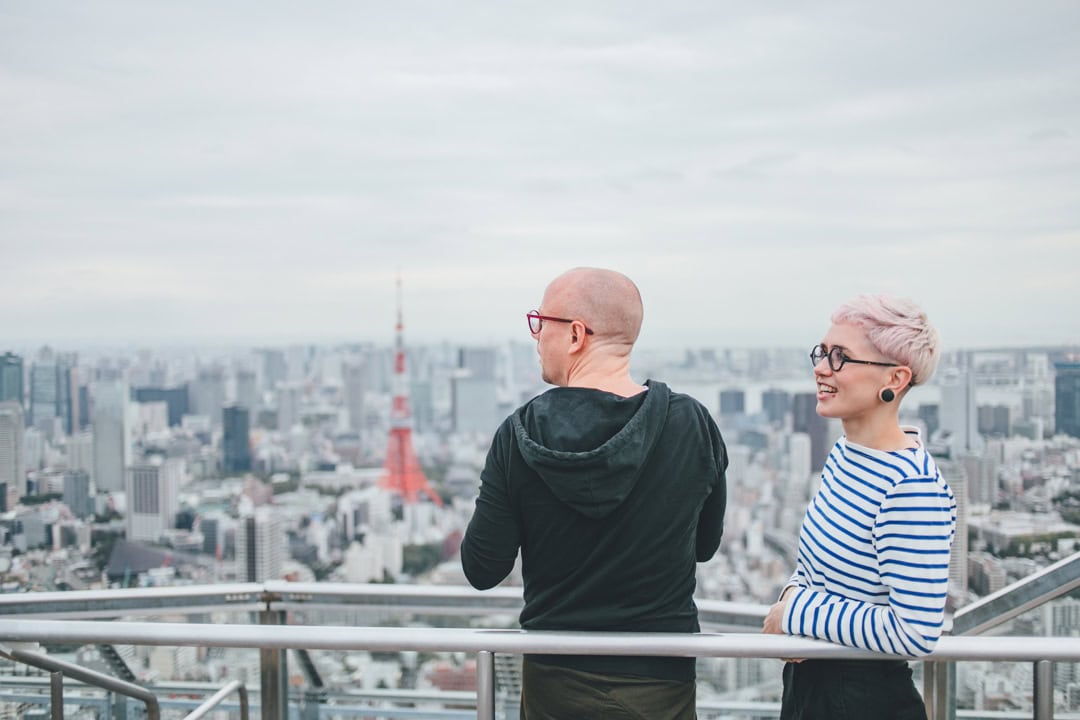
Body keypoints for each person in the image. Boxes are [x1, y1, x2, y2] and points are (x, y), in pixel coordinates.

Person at [460, 267, 728, 720]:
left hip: (556, 682)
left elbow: (483, 569)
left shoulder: (518, 434)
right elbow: (704, 547)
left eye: (540, 323)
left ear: (576, 335)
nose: (536, 337)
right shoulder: (692, 425)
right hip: (661, 683)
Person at [762, 294, 957, 720]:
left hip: (865, 700)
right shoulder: (846, 455)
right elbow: (816, 569)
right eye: (822, 352)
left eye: (841, 357)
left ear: (896, 379)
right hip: (812, 688)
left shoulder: (910, 488)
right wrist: (793, 594)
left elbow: (917, 631)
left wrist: (797, 613)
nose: (821, 368)